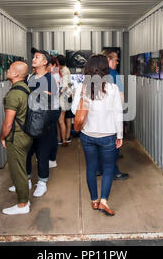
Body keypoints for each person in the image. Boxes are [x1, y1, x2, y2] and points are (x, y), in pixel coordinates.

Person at [72, 55, 123, 216]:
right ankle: (103, 202)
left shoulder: (82, 87)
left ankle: (94, 200)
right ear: (105, 69)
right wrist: (120, 135)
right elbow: (118, 114)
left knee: (91, 168)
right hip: (108, 135)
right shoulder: (112, 88)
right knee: (108, 169)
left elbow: (74, 111)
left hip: (87, 135)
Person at [25, 50, 60, 197]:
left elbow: (47, 100)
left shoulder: (49, 79)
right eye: (33, 57)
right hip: (30, 121)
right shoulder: (30, 77)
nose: (33, 59)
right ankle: (25, 181)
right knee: (26, 153)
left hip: (44, 123)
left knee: (42, 154)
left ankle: (42, 183)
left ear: (45, 62)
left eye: (37, 57)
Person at [0, 61, 33, 215]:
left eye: (10, 69)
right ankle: (24, 198)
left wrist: (2, 137)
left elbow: (8, 123)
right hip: (27, 135)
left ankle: (22, 204)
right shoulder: (26, 89)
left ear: (16, 74)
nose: (7, 70)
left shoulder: (14, 94)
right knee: (22, 168)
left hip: (17, 137)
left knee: (17, 171)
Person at [95, 50, 129, 181]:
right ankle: (114, 172)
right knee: (113, 145)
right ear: (108, 60)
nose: (117, 62)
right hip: (110, 117)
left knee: (98, 144)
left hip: (96, 118)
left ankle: (98, 169)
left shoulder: (96, 74)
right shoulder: (114, 74)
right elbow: (120, 98)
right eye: (115, 59)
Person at [47, 56, 63, 168]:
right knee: (51, 134)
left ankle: (52, 159)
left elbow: (54, 92)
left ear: (52, 65)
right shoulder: (54, 74)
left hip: (54, 108)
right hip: (53, 107)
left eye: (47, 65)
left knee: (51, 135)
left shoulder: (55, 75)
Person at [57, 54, 73, 144]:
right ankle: (60, 138)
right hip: (63, 96)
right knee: (61, 119)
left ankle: (66, 137)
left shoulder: (65, 70)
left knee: (66, 118)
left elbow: (65, 86)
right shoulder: (58, 69)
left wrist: (58, 93)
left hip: (66, 96)